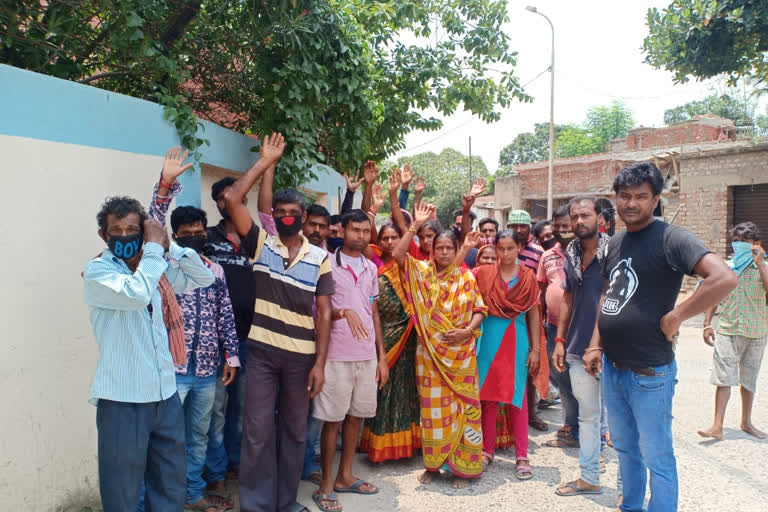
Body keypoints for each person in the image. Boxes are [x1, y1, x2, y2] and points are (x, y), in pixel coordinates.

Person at [583, 162, 737, 512]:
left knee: (657, 457)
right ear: (615, 199)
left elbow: (724, 278)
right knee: (625, 449)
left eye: (640, 196)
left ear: (656, 199)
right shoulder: (616, 242)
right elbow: (609, 296)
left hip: (649, 373)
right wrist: (596, 343)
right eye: (624, 196)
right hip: (613, 367)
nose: (631, 203)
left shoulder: (672, 237)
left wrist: (678, 315)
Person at [84, 184, 215, 511]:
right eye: (118, 230)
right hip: (123, 400)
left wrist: (171, 246)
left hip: (165, 395)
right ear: (104, 235)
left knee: (170, 483)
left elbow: (203, 278)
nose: (126, 236)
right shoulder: (98, 272)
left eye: (133, 229)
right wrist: (155, 251)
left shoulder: (155, 270)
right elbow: (137, 294)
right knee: (123, 492)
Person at [223, 134, 335, 512]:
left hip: (301, 358)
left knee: (293, 433)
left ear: (304, 217)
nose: (287, 216)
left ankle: (286, 503)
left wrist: (320, 364)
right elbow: (234, 200)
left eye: (294, 212)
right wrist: (264, 162)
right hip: (263, 356)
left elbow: (323, 313)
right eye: (281, 211)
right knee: (256, 431)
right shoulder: (261, 244)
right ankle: (255, 506)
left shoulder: (320, 257)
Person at [147, 151, 241, 512]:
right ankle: (166, 498)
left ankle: (192, 494)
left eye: (200, 235)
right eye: (187, 236)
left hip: (206, 372)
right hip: (171, 371)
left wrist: (230, 356)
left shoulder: (214, 270)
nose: (195, 241)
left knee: (199, 438)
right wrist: (165, 185)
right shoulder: (162, 266)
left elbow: (225, 315)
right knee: (167, 439)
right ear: (174, 237)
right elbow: (152, 223)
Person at [392, 203, 488, 489]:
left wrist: (467, 332)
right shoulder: (421, 272)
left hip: (461, 357)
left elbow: (479, 309)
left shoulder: (466, 276)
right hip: (430, 358)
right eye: (439, 248)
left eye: (449, 248)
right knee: (432, 412)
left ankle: (464, 468)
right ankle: (433, 465)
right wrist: (414, 225)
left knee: (464, 409)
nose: (444, 252)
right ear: (431, 250)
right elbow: (398, 254)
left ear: (456, 249)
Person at [312, 210, 389, 512]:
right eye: (355, 229)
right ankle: (326, 484)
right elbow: (317, 314)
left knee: (356, 417)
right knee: (333, 421)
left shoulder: (371, 268)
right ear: (342, 230)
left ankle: (346, 476)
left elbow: (374, 313)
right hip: (335, 355)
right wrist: (342, 313)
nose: (360, 235)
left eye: (365, 230)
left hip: (367, 356)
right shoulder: (326, 264)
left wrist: (381, 357)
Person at [204, 172, 263, 493]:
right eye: (223, 197)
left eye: (235, 195)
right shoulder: (205, 237)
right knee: (214, 411)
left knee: (241, 408)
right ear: (217, 203)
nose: (229, 201)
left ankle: (236, 464)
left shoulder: (255, 238)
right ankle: (214, 471)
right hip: (214, 340)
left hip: (250, 338)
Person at [473, 229, 545, 480]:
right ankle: (487, 451)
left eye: (510, 248)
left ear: (519, 249)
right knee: (488, 397)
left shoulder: (528, 277)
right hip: (489, 340)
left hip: (518, 339)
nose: (504, 254)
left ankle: (522, 455)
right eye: (500, 249)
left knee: (518, 397)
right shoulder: (482, 274)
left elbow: (535, 314)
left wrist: (535, 349)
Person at [552, 197, 610, 498]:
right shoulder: (571, 253)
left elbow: (611, 297)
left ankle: (630, 489)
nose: (578, 222)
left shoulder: (616, 251)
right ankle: (590, 477)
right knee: (588, 416)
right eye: (574, 216)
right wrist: (560, 340)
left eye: (584, 215)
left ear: (598, 217)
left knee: (622, 424)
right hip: (576, 348)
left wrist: (597, 345)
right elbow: (567, 298)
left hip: (613, 349)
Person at [360, 222, 423, 466]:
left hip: (409, 340)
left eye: (394, 237)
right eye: (384, 238)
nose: (388, 242)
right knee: (385, 392)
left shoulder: (409, 266)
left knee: (407, 391)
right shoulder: (373, 267)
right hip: (385, 338)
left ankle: (408, 444)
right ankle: (379, 446)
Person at [699, 221, 768, 440]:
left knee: (749, 380)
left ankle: (746, 422)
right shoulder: (726, 266)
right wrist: (708, 323)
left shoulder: (765, 265)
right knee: (724, 378)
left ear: (755, 244)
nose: (738, 245)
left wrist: (760, 264)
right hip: (728, 329)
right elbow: (713, 294)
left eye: (744, 241)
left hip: (756, 330)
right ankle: (717, 426)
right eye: (736, 241)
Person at [539, 206, 579, 448]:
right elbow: (542, 291)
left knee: (586, 381)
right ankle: (570, 428)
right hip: (553, 328)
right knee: (562, 379)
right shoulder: (547, 256)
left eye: (567, 226)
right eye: (558, 226)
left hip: (580, 329)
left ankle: (594, 436)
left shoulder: (585, 252)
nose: (562, 230)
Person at [508, 209, 548, 431]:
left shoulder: (538, 253)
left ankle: (531, 414)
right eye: (513, 225)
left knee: (530, 365)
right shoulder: (501, 248)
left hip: (528, 315)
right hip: (503, 316)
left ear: (529, 228)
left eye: (522, 226)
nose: (518, 230)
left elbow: (542, 286)